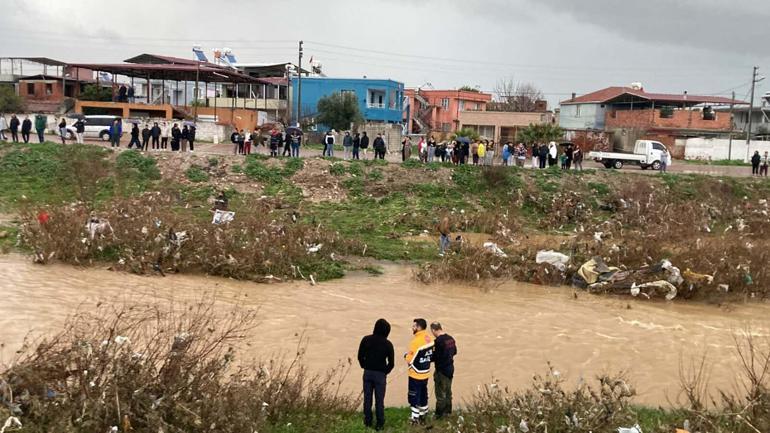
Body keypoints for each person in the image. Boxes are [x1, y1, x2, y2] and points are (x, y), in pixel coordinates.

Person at [357, 318, 395, 431]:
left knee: (367, 399)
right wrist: (385, 372)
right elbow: (391, 364)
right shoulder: (388, 344)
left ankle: (367, 422)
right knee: (379, 400)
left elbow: (360, 356)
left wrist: (364, 366)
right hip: (380, 375)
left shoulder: (366, 339)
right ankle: (380, 424)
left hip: (367, 373)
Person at [405, 318, 434, 425]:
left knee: (413, 396)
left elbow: (410, 360)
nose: (412, 328)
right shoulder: (430, 339)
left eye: (414, 326)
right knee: (423, 394)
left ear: (418, 327)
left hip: (415, 374)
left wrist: (405, 356)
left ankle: (414, 419)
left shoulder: (415, 342)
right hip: (425, 373)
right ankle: (423, 415)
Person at [430, 322, 457, 419]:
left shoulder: (438, 341)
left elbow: (435, 357)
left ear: (433, 330)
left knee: (440, 394)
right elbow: (455, 352)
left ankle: (438, 415)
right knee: (448, 392)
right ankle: (448, 412)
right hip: (450, 368)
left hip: (441, 370)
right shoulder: (451, 339)